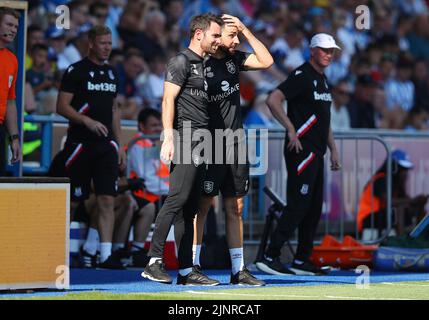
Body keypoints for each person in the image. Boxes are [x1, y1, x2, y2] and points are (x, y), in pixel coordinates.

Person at [142, 13, 223, 285]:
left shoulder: (204, 65)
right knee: (176, 199)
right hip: (185, 136)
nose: (217, 41)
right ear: (198, 34)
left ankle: (187, 271)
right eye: (214, 35)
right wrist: (168, 137)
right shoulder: (180, 61)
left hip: (202, 139)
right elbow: (168, 100)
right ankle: (153, 261)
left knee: (190, 208)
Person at [193, 14, 273, 286]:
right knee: (202, 206)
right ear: (216, 35)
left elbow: (266, 61)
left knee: (235, 206)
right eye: (232, 35)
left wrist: (246, 29)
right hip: (208, 142)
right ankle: (192, 266)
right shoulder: (197, 63)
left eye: (237, 35)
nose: (236, 40)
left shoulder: (234, 59)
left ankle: (238, 270)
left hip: (235, 141)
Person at [256, 33, 341, 276]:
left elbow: (324, 120)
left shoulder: (323, 81)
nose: (328, 54)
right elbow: (273, 99)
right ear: (312, 50)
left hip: (317, 152)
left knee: (313, 208)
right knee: (298, 205)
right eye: (324, 50)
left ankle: (302, 259)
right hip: (301, 151)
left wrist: (333, 149)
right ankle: (270, 255)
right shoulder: (302, 76)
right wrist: (290, 128)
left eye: (331, 50)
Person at [56, 25, 126, 269]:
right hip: (80, 145)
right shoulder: (76, 71)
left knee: (107, 200)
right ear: (91, 43)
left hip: (106, 146)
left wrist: (120, 145)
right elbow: (62, 107)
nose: (107, 47)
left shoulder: (112, 73)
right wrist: (86, 120)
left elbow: (114, 110)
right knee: (74, 201)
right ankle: (59, 251)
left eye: (110, 43)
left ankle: (104, 255)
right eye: (103, 43)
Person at [126, 108, 169, 268]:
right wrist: (172, 192)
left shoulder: (152, 144)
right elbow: (148, 180)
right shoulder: (138, 145)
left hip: (156, 194)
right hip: (144, 195)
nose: (158, 128)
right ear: (141, 126)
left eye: (159, 125)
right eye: (153, 125)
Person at [358, 149, 428, 239]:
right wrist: (412, 200)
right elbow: (388, 202)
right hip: (368, 218)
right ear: (393, 167)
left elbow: (405, 201)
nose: (405, 173)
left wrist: (418, 203)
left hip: (383, 216)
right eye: (402, 169)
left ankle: (420, 239)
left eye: (406, 170)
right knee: (397, 211)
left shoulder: (396, 183)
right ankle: (401, 241)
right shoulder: (381, 179)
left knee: (415, 208)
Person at [0, 7, 21, 175]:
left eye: (16, 27)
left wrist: (14, 138)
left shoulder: (12, 60)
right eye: (9, 24)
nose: (13, 30)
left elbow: (10, 101)